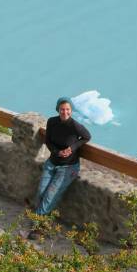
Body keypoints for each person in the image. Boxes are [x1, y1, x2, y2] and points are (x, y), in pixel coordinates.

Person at [28, 97, 91, 240]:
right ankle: (43, 224)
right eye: (62, 109)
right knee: (41, 192)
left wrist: (72, 148)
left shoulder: (75, 126)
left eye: (68, 109)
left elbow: (87, 136)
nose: (65, 112)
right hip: (52, 163)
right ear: (58, 109)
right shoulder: (52, 122)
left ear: (71, 110)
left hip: (68, 168)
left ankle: (35, 227)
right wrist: (57, 152)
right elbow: (48, 141)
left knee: (49, 197)